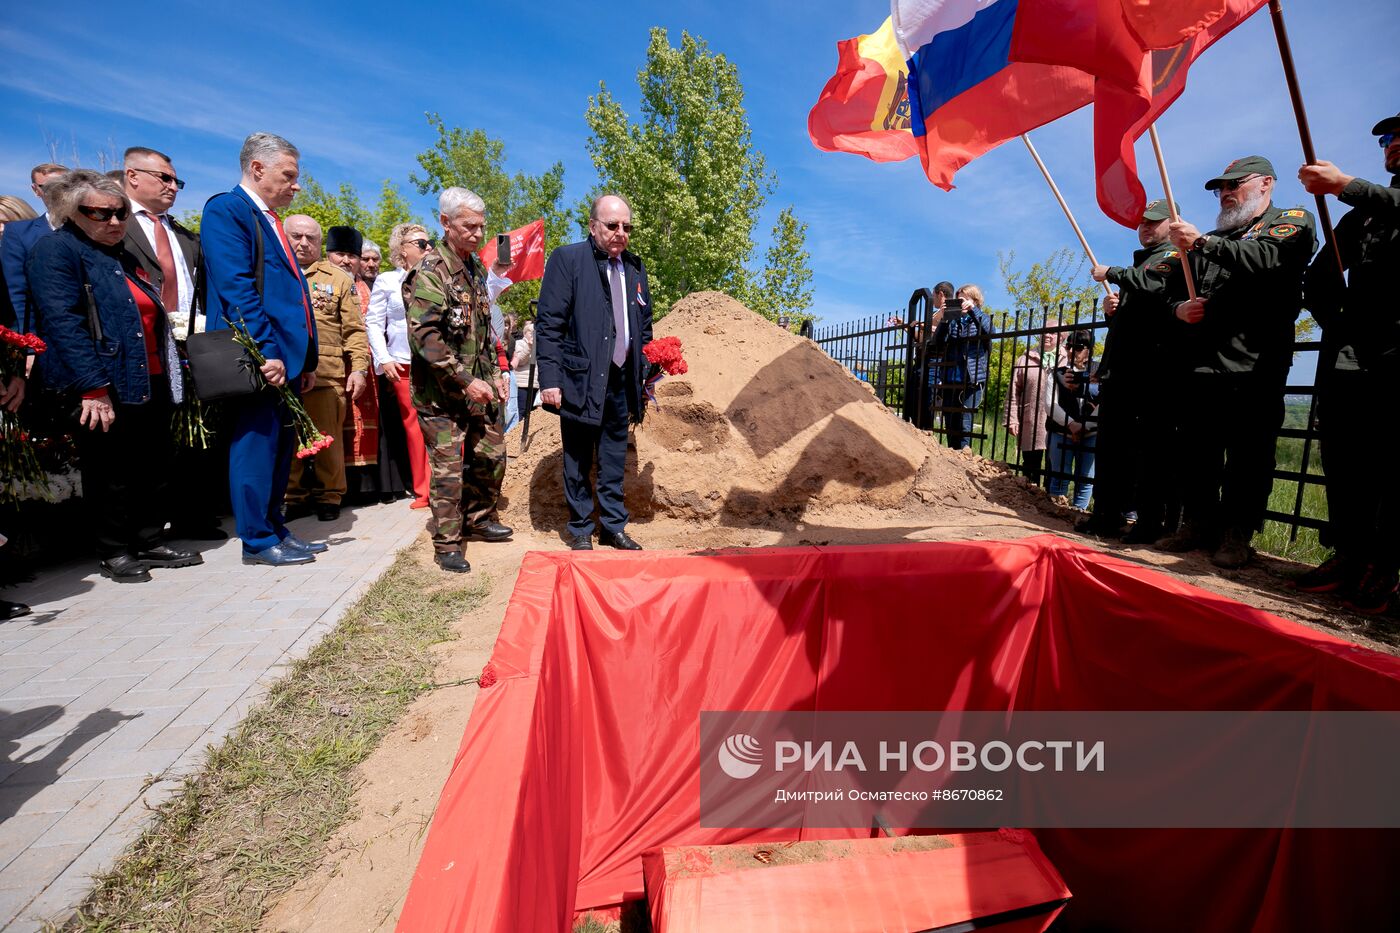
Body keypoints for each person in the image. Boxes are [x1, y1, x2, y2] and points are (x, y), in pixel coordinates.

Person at [26, 170, 199, 582]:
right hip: (104, 381)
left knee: (154, 464)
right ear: (73, 212)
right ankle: (114, 550)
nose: (115, 221)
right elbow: (62, 324)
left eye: (120, 212)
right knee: (112, 470)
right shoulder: (57, 251)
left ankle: (150, 540)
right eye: (101, 213)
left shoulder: (122, 254)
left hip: (149, 375)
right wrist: (92, 387)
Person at [1158, 156, 1316, 569]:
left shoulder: (1292, 220)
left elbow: (1265, 260)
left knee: (1249, 454)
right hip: (1204, 363)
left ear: (1265, 183)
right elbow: (1169, 291)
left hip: (1255, 364)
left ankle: (1237, 534)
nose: (1226, 193)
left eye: (1235, 185)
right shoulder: (1208, 239)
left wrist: (1201, 243)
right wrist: (1178, 309)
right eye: (1220, 188)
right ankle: (1198, 524)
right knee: (1198, 451)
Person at [201, 132, 325, 566]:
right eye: (289, 175)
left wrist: (305, 359)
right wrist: (268, 351)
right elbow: (237, 289)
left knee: (280, 451)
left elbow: (293, 295)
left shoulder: (270, 219)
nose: (296, 185)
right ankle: (256, 541)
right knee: (255, 447)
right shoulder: (228, 211)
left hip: (286, 361)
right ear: (257, 168)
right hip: (259, 358)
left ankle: (276, 528)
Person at [1293, 112, 1400, 613]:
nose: (1392, 144)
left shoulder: (1381, 200)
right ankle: (1351, 554)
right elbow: (1318, 276)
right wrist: (1336, 320)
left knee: (1392, 462)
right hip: (1355, 352)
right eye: (1386, 138)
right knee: (1345, 455)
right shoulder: (1365, 214)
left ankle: (1387, 563)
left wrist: (1348, 185)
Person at [403, 187, 513, 573]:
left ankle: (479, 520)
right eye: (469, 226)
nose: (478, 234)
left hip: (478, 390)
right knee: (448, 471)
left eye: (482, 227)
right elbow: (424, 338)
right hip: (441, 396)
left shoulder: (476, 270)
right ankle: (448, 544)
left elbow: (482, 332)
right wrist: (465, 379)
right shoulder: (430, 273)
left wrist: (496, 374)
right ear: (445, 223)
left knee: (491, 456)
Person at [120, 146, 226, 541]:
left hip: (192, 344)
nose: (173, 187)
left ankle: (194, 516)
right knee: (148, 444)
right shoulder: (118, 226)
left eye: (176, 181)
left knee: (196, 435)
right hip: (141, 349)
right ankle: (144, 531)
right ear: (132, 176)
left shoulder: (183, 235)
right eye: (163, 178)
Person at [537, 193, 653, 551]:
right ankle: (581, 529)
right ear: (592, 226)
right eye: (612, 225)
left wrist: (646, 365)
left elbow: (643, 324)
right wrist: (551, 380)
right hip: (579, 380)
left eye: (626, 227)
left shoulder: (634, 267)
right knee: (577, 458)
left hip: (620, 381)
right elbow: (549, 325)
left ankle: (613, 527)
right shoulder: (568, 259)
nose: (620, 232)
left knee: (614, 458)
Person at [1087, 199, 1189, 541]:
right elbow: (1136, 314)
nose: (1145, 227)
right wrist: (1112, 312)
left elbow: (1155, 287)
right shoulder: (1142, 262)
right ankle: (1105, 515)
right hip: (1121, 371)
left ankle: (1148, 523)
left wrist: (1112, 273)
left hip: (1150, 372)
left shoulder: (1175, 256)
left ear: (1171, 223)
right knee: (1112, 449)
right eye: (1142, 222)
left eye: (1153, 222)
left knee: (1148, 453)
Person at [281, 218, 369, 521]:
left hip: (326, 372)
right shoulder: (272, 271)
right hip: (281, 373)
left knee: (328, 440)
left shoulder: (338, 279)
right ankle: (292, 496)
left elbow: (355, 330)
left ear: (320, 245)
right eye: (297, 236)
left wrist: (358, 368)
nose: (304, 243)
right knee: (288, 439)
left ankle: (330, 496)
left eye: (311, 238)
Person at [367, 223, 432, 509]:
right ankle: (424, 490)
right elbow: (373, 322)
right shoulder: (386, 281)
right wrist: (383, 357)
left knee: (443, 425)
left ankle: (448, 487)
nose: (428, 248)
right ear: (402, 248)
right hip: (402, 362)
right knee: (414, 426)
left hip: (435, 363)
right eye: (420, 243)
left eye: (429, 243)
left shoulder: (435, 279)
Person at [3, 164, 68, 339]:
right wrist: (28, 344)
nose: (56, 192)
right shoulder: (19, 234)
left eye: (62, 185)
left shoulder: (94, 229)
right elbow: (18, 293)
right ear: (36, 190)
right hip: (46, 338)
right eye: (47, 187)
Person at [928, 283, 992, 450]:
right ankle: (953, 462)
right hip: (950, 380)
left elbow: (990, 332)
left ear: (975, 300)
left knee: (965, 425)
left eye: (963, 299)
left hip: (970, 381)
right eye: (958, 300)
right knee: (950, 424)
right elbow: (937, 342)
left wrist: (973, 311)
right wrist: (944, 317)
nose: (959, 302)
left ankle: (964, 459)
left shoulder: (981, 317)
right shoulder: (953, 320)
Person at [1045, 330, 1099, 510]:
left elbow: (1104, 402)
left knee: (1086, 478)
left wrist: (1085, 426)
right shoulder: (1058, 372)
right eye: (1069, 346)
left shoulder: (1099, 372)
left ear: (1089, 349)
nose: (1072, 351)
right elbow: (1049, 403)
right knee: (1060, 475)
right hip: (1061, 432)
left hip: (1091, 433)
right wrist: (1071, 424)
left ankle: (1079, 513)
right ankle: (1056, 513)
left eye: (1078, 347)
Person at [1006, 316, 1060, 485]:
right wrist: (1012, 419)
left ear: (1061, 337)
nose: (1047, 336)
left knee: (1055, 466)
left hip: (1058, 423)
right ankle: (1029, 498)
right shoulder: (1025, 359)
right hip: (1032, 421)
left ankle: (1052, 501)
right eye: (1044, 331)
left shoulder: (1068, 358)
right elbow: (1013, 391)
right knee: (1031, 465)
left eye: (1052, 332)